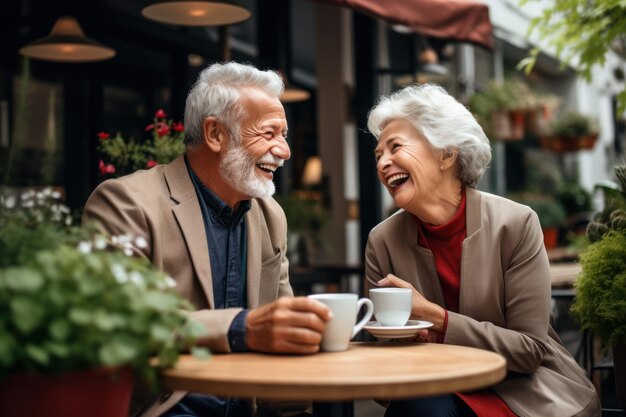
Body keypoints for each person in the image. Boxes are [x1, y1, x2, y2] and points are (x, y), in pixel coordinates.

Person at [83, 62, 332, 417]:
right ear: (215, 134)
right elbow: (120, 323)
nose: (285, 151)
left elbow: (285, 333)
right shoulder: (126, 202)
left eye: (284, 135)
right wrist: (241, 328)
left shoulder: (270, 214)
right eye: (269, 133)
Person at [364, 84, 601, 417]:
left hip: (521, 391)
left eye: (395, 147)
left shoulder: (516, 223)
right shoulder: (381, 240)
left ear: (446, 154)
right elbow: (384, 349)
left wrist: (436, 318)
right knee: (418, 405)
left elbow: (528, 351)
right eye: (378, 156)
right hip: (432, 383)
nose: (383, 163)